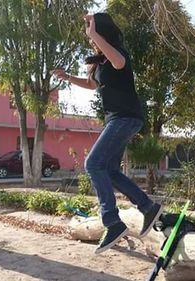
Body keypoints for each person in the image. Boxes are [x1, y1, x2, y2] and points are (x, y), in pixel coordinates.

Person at [51, 13, 163, 254]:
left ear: (102, 34)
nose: (91, 42)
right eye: (89, 39)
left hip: (126, 116)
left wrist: (94, 32)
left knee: (92, 164)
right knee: (109, 171)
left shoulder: (118, 54)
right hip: (119, 119)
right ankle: (148, 207)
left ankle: (112, 222)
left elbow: (119, 63)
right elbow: (92, 85)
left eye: (93, 37)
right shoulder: (100, 62)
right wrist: (67, 77)